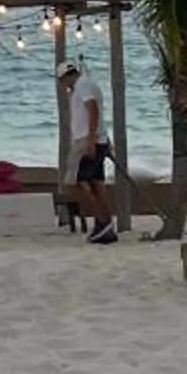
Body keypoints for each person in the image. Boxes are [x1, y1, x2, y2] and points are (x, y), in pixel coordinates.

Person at [59, 59, 116, 243]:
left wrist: (91, 139)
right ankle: (106, 224)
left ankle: (102, 221)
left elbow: (92, 109)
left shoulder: (83, 86)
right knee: (95, 183)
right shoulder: (87, 85)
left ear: (66, 77)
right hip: (96, 138)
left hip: (86, 140)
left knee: (74, 182)